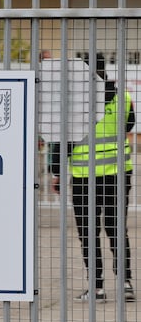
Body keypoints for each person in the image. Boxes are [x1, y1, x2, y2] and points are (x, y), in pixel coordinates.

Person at [50, 66, 135, 302]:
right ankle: (126, 283)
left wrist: (57, 172)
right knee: (116, 228)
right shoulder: (123, 97)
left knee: (88, 232)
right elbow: (129, 126)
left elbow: (63, 140)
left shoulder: (75, 103)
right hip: (117, 174)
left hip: (83, 177)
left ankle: (96, 288)